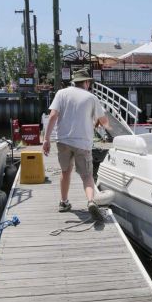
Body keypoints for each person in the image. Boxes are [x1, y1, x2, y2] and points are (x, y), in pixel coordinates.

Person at [42, 69, 110, 220]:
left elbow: (53, 116)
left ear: (74, 81)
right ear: (86, 82)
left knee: (65, 172)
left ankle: (64, 202)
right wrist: (100, 124)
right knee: (86, 175)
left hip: (63, 140)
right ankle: (91, 202)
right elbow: (102, 120)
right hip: (83, 142)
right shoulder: (91, 97)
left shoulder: (61, 93)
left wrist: (46, 139)